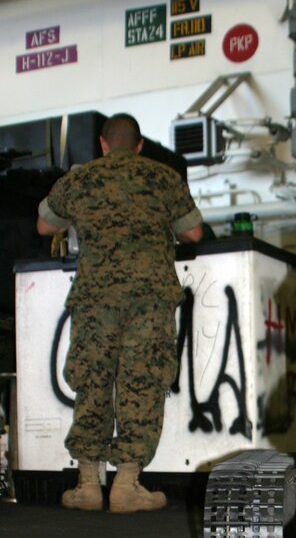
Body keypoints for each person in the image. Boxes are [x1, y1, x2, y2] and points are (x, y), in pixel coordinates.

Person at [37, 113, 203, 513]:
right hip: (150, 299)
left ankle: (88, 485)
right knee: (141, 383)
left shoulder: (80, 179)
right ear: (140, 145)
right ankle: (127, 484)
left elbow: (44, 226)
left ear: (103, 144)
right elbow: (193, 234)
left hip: (96, 299)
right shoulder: (164, 179)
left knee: (92, 380)